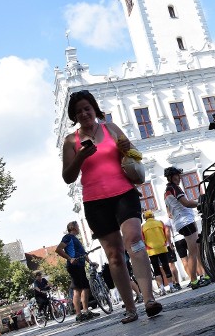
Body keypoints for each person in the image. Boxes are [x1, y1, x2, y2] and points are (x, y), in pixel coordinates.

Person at [62, 89, 161, 324]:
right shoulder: (71, 141)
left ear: (94, 109)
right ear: (74, 116)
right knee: (114, 256)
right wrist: (81, 156)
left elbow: (134, 154)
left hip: (124, 193)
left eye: (87, 108)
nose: (84, 113)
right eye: (79, 111)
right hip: (95, 201)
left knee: (135, 239)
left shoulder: (111, 129)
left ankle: (149, 299)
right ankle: (130, 308)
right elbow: (68, 176)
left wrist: (127, 147)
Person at [163, 166, 211, 289]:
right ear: (171, 177)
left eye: (179, 175)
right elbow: (186, 203)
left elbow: (169, 212)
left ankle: (206, 275)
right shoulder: (174, 188)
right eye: (177, 176)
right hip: (186, 222)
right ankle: (194, 280)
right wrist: (201, 203)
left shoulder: (167, 191)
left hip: (182, 222)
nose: (179, 178)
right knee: (193, 251)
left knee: (197, 248)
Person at [55, 221, 99, 322]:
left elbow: (83, 253)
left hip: (80, 266)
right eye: (78, 226)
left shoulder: (76, 239)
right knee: (77, 289)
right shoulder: (68, 237)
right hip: (74, 266)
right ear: (73, 227)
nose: (79, 228)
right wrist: (70, 258)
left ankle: (86, 311)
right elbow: (58, 249)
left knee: (85, 288)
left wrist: (90, 262)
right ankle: (79, 314)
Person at [141, 210, 176, 294]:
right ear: (153, 216)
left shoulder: (143, 227)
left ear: (145, 218)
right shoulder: (160, 223)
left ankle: (162, 289)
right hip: (162, 247)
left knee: (156, 269)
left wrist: (147, 247)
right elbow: (165, 233)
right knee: (166, 266)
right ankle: (171, 287)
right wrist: (165, 243)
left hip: (151, 250)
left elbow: (143, 239)